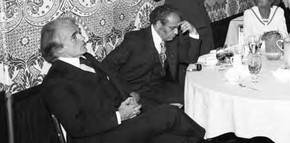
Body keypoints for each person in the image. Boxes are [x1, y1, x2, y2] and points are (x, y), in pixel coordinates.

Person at [40, 17, 205, 143]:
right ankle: (210, 139)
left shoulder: (87, 58)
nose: (84, 38)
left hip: (121, 118)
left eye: (79, 33)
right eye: (74, 36)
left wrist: (130, 99)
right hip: (99, 136)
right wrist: (119, 116)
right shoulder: (54, 83)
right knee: (170, 114)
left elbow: (112, 80)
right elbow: (77, 127)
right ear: (58, 49)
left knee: (175, 137)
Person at [102, 5, 201, 107]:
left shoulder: (171, 39)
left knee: (193, 98)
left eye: (178, 28)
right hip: (136, 91)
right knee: (169, 112)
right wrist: (127, 92)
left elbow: (190, 58)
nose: (176, 32)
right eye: (173, 28)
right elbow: (106, 66)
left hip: (161, 87)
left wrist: (193, 32)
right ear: (158, 24)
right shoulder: (135, 40)